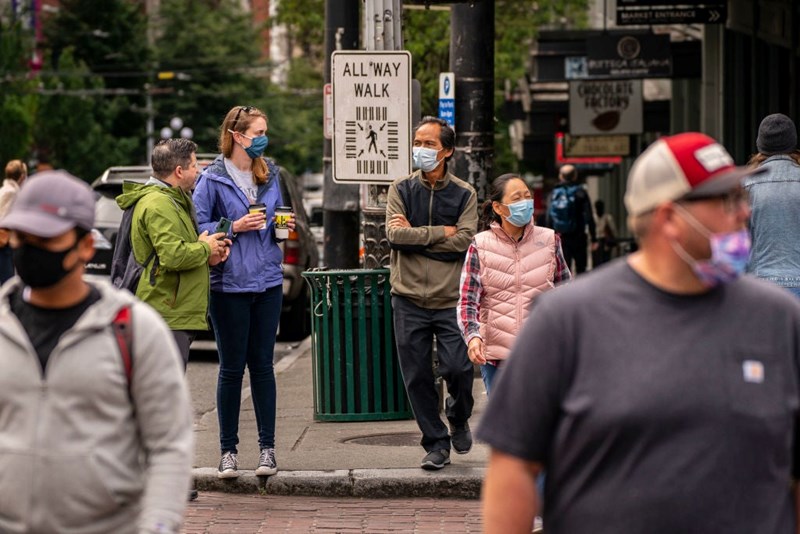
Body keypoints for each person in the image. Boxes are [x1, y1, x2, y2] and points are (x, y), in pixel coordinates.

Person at [478, 132, 800, 534]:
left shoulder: (779, 319)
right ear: (669, 219)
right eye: (726, 200)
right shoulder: (567, 321)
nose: (743, 213)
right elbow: (514, 468)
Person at [0, 170, 193, 534]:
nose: (29, 249)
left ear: (85, 246)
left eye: (46, 238)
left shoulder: (134, 329)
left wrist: (159, 525)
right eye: (21, 236)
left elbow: (169, 445)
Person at [193, 105, 295, 480]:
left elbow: (279, 217)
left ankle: (268, 450)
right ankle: (228, 452)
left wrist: (283, 226)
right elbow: (199, 227)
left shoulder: (270, 174)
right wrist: (234, 225)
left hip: (267, 281)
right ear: (237, 136)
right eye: (258, 133)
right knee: (232, 369)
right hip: (229, 285)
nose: (263, 140)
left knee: (264, 367)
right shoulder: (211, 179)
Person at [386, 116, 478, 471]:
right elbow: (395, 237)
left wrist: (418, 238)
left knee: (459, 368)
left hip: (450, 299)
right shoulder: (401, 189)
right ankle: (436, 443)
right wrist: (441, 232)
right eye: (417, 142)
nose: (420, 149)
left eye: (429, 144)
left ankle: (458, 415)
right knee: (418, 376)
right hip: (407, 298)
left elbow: (466, 242)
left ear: (447, 151)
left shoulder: (464, 193)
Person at [116, 139, 229, 367]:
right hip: (166, 311)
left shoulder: (172, 200)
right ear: (179, 170)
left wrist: (207, 255)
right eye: (194, 165)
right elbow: (173, 256)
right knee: (164, 388)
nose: (198, 171)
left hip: (171, 309)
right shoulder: (160, 204)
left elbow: (173, 252)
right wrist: (205, 247)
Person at [457, 173, 571, 394]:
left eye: (527, 196)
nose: (525, 203)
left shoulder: (549, 240)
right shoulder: (480, 245)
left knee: (540, 422)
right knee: (506, 425)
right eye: (517, 198)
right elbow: (468, 300)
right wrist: (472, 337)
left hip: (542, 352)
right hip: (497, 358)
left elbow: (566, 293)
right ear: (498, 208)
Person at [745, 113, 800, 297]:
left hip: (760, 287)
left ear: (760, 145)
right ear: (793, 143)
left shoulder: (745, 185)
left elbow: (736, 244)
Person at [546, 164, 597, 274]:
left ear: (561, 176)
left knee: (564, 271)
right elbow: (589, 216)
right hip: (579, 237)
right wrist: (594, 238)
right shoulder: (581, 193)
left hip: (561, 238)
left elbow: (548, 217)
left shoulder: (554, 193)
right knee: (581, 270)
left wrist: (549, 239)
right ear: (575, 176)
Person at [0, 159, 27, 283]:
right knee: (8, 281)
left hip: (5, 242)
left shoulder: (4, 190)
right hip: (4, 243)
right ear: (22, 177)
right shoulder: (12, 192)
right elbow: (4, 217)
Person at [592, 199, 617, 267]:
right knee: (597, 263)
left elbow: (612, 230)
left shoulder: (607, 218)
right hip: (597, 241)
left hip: (605, 241)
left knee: (604, 263)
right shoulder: (593, 217)